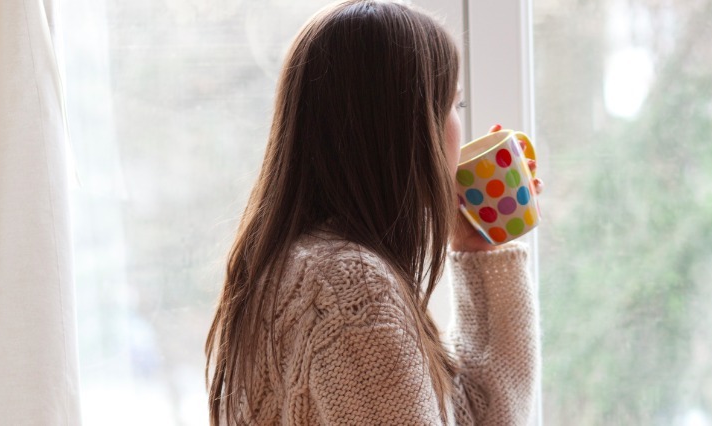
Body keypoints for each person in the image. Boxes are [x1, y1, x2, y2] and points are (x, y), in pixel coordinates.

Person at [203, 1, 543, 424]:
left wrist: (476, 250)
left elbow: (475, 416)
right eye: (454, 106)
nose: (460, 127)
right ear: (409, 128)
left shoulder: (314, 269)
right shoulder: (347, 288)